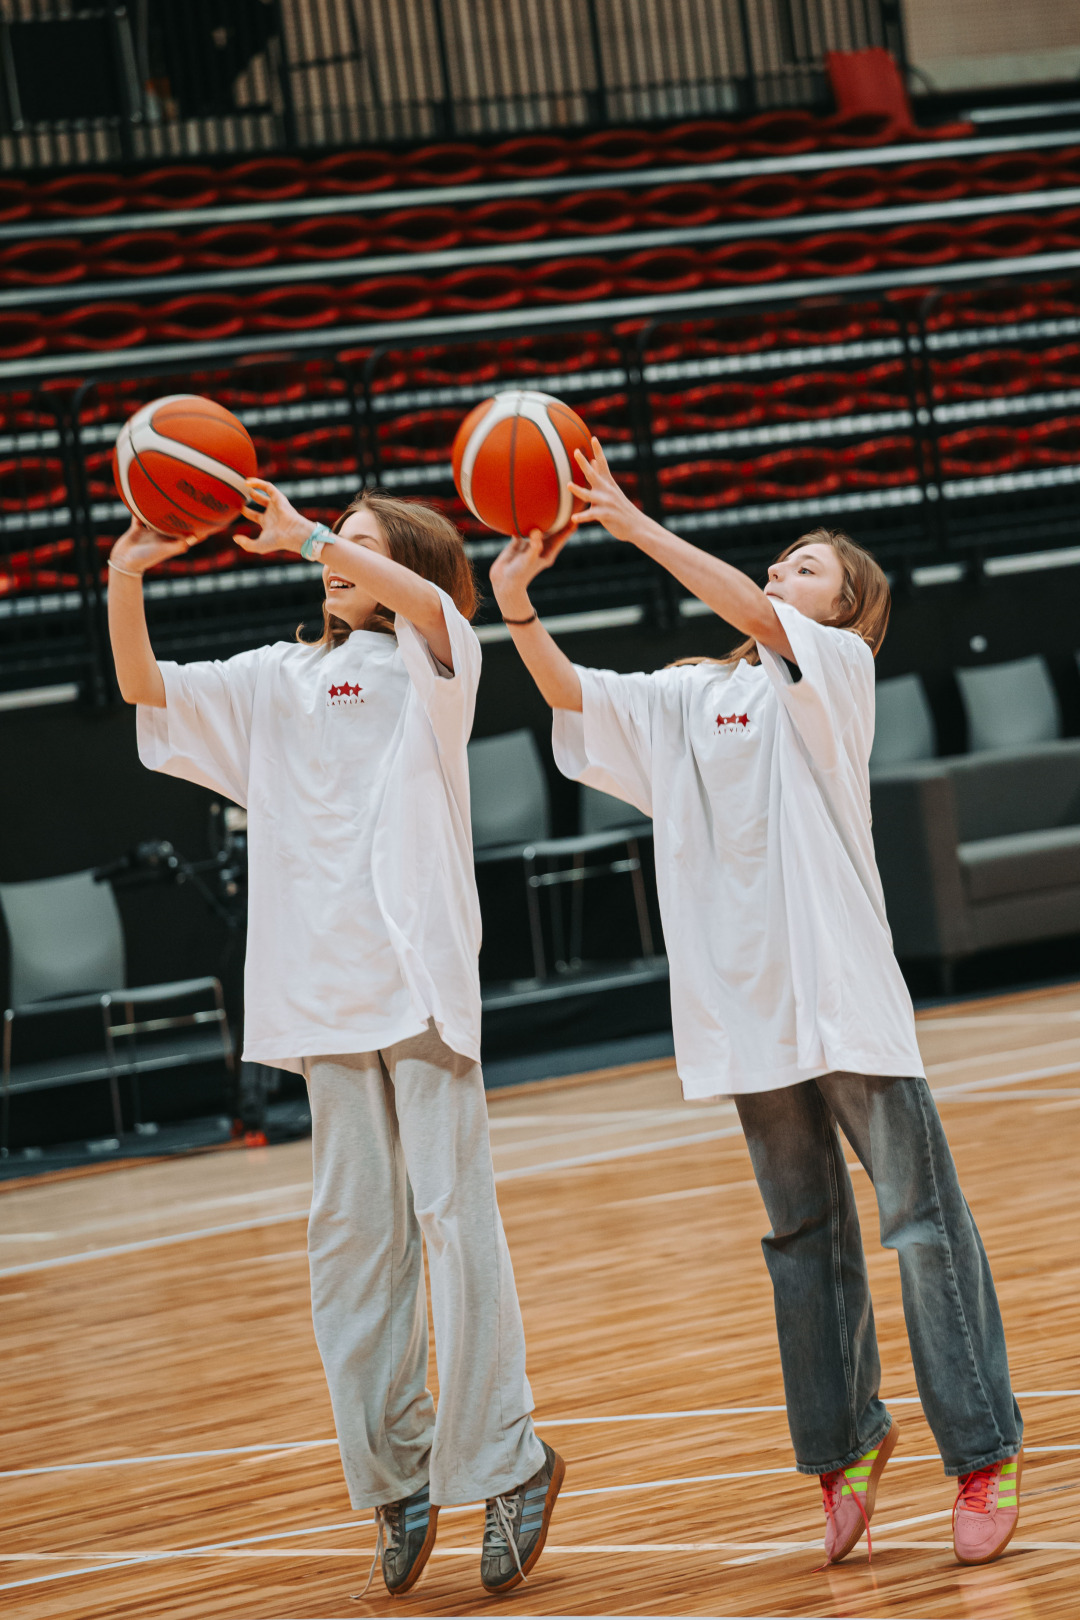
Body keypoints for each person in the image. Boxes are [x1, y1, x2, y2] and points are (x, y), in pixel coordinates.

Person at [489, 439, 1023, 1569]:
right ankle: (846, 1446)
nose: (784, 573)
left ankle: (983, 1451)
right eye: (782, 562)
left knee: (921, 1226)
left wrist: (631, 522)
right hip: (741, 1005)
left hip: (841, 990)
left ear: (847, 611)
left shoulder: (836, 670)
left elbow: (751, 609)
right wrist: (516, 607)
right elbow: (575, 697)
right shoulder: (693, 690)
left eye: (807, 567)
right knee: (800, 1237)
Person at [106, 481, 565, 1598]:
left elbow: (438, 607)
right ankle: (396, 1474)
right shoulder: (276, 676)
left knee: (454, 1224)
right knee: (352, 1246)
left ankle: (508, 1461)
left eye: (360, 544)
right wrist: (125, 572)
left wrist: (310, 531)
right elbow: (145, 687)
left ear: (404, 564)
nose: (330, 559)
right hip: (319, 993)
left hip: (418, 986)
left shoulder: (435, 662)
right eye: (332, 545)